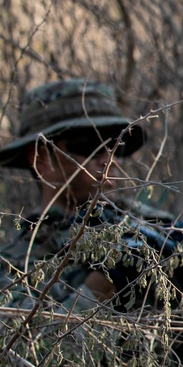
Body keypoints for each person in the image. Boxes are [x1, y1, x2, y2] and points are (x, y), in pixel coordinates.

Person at [0, 78, 147, 308]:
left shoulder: (153, 226)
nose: (108, 159)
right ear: (41, 157)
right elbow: (28, 341)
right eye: (89, 144)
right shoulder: (13, 267)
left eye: (116, 144)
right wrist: (100, 288)